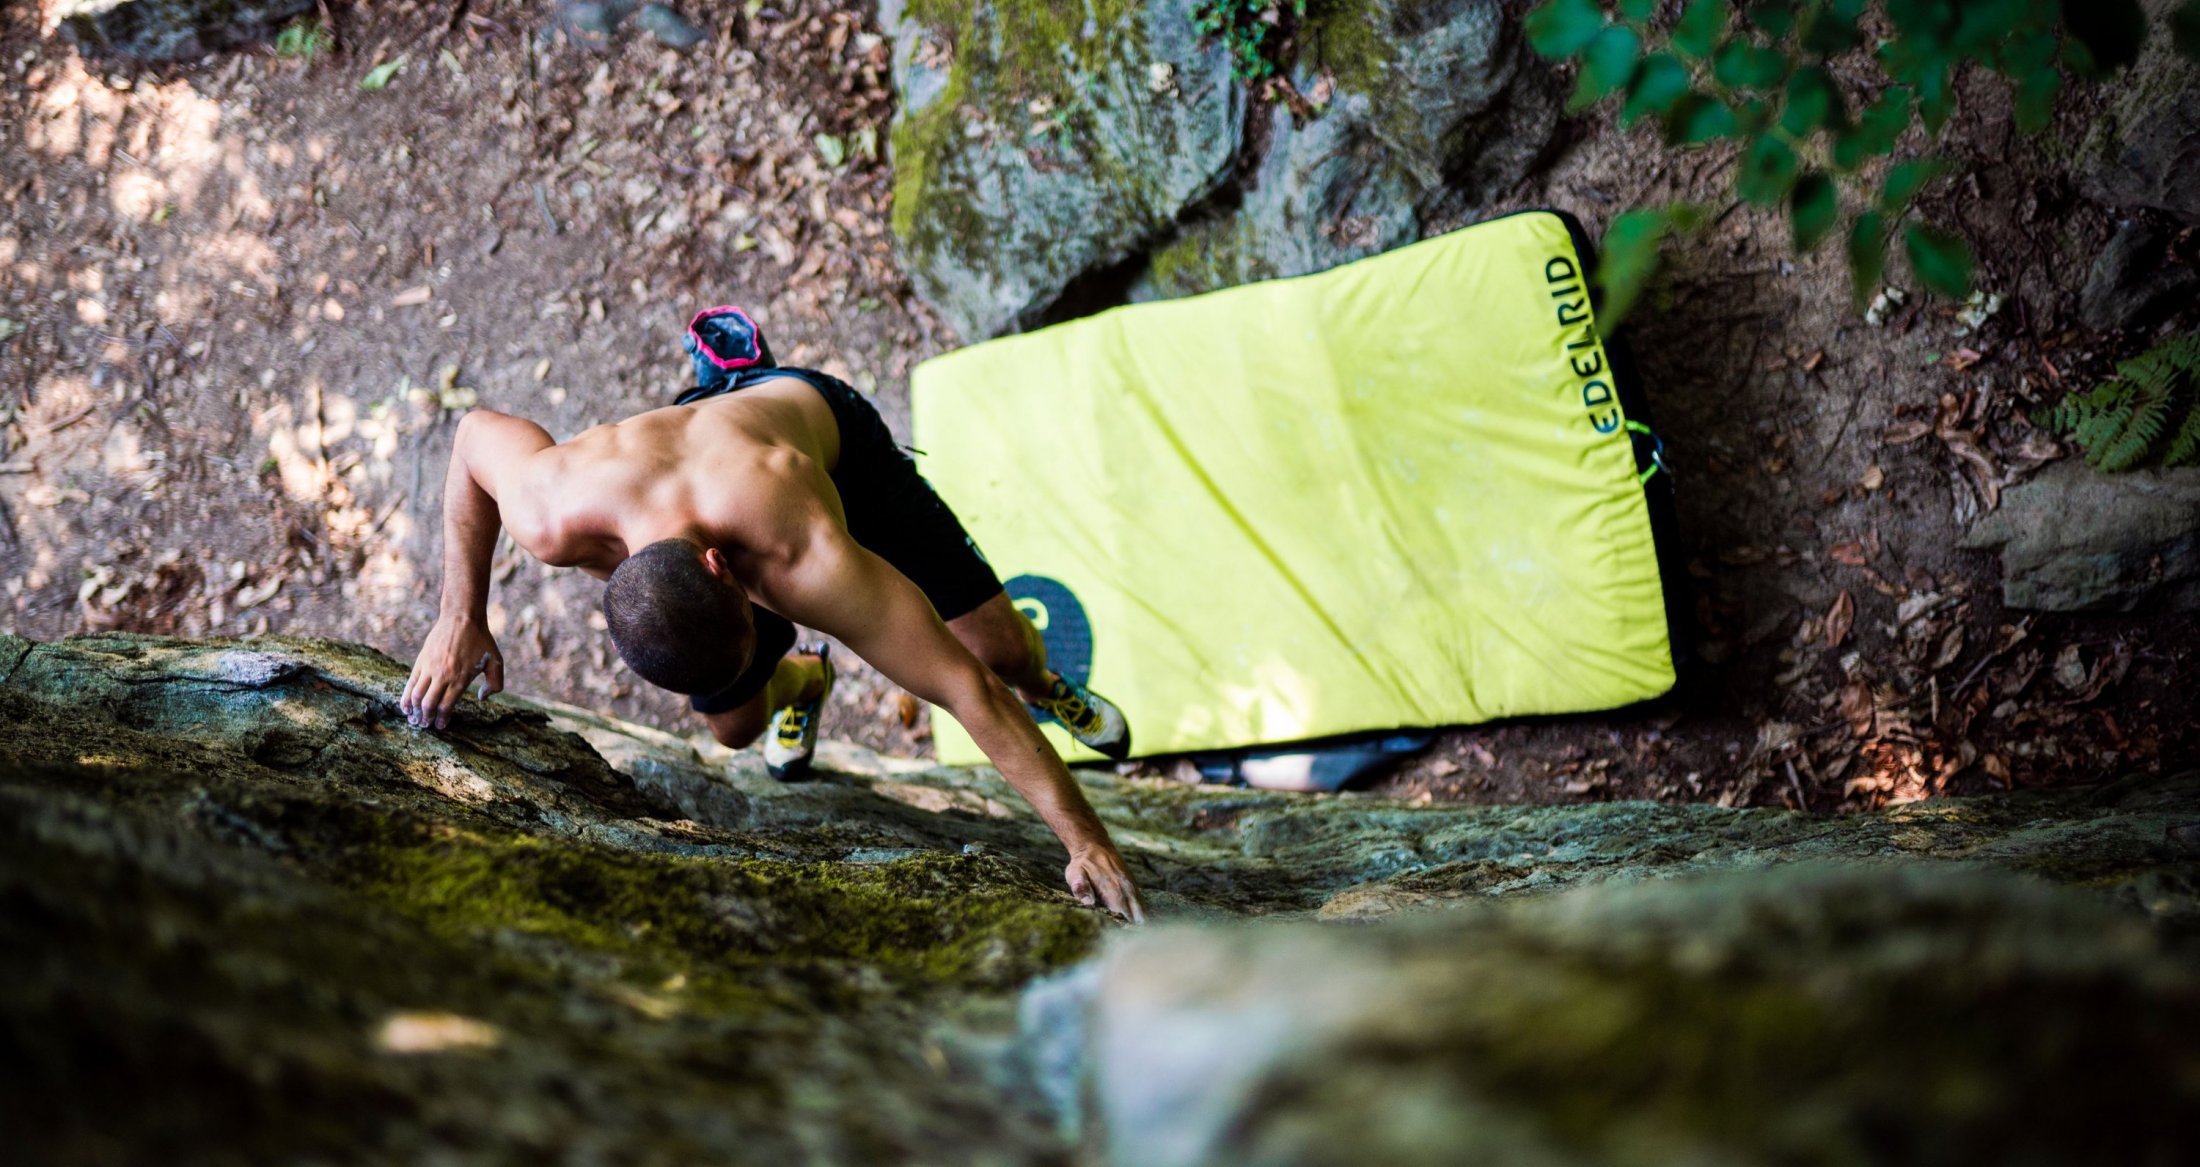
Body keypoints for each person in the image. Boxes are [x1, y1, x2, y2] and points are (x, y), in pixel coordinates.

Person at [399, 306, 1144, 922]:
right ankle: (803, 681)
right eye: (763, 628)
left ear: (731, 573)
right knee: (736, 726)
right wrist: (460, 614)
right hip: (706, 464)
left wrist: (1083, 839)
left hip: (828, 446)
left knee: (999, 653)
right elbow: (470, 443)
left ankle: (1049, 685)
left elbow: (964, 690)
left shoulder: (810, 557)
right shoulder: (550, 507)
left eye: (760, 624)